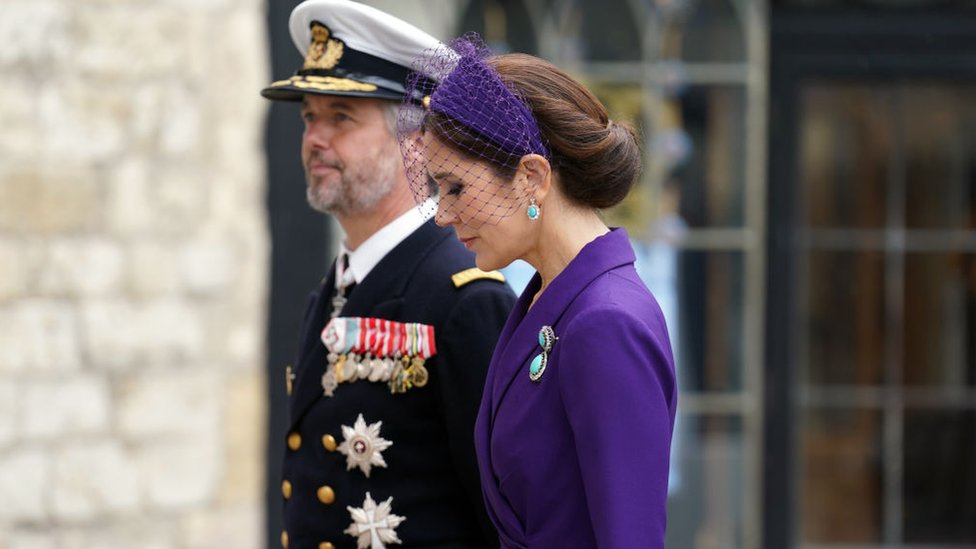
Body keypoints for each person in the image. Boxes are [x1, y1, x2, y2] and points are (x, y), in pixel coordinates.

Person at [398, 35, 678, 548]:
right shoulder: (549, 299)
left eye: (455, 186)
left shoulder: (605, 321)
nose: (441, 213)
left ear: (531, 177)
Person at [261, 4, 516, 548]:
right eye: (309, 116)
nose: (314, 139)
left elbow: (506, 521)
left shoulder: (464, 300)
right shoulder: (339, 285)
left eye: (342, 117)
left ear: (416, 142)